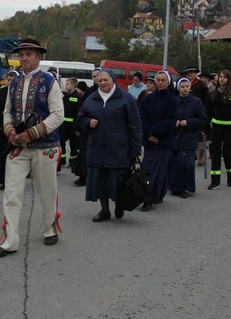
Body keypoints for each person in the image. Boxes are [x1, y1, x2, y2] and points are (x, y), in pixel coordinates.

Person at [0, 38, 64, 257]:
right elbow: (6, 111)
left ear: (39, 57)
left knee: (47, 191)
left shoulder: (50, 81)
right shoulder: (13, 82)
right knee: (12, 193)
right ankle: (10, 239)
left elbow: (58, 115)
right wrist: (9, 130)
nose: (24, 58)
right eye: (21, 55)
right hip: (17, 147)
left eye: (29, 54)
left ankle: (50, 226)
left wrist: (32, 133)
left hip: (45, 146)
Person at [77, 70, 143, 221]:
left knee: (119, 182)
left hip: (118, 149)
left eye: (105, 80)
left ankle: (119, 205)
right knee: (100, 182)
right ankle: (104, 211)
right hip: (96, 148)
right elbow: (79, 119)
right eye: (100, 81)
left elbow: (135, 124)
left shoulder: (126, 99)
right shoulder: (91, 99)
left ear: (112, 80)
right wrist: (88, 123)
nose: (103, 83)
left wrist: (135, 149)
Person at [139, 70, 178, 211]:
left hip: (163, 141)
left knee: (159, 171)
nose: (160, 82)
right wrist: (149, 133)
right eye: (158, 80)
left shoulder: (173, 100)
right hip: (149, 140)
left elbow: (170, 121)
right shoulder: (148, 99)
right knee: (148, 169)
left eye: (163, 80)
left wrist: (155, 133)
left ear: (168, 83)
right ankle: (148, 195)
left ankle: (152, 198)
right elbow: (141, 117)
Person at [169, 78, 207, 197]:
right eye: (182, 87)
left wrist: (188, 122)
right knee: (175, 163)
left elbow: (202, 119)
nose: (185, 89)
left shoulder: (196, 102)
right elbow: (168, 117)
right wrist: (174, 122)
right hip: (175, 136)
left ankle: (185, 187)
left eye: (187, 86)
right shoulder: (174, 101)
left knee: (186, 163)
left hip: (189, 137)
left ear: (190, 88)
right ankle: (175, 187)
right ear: (178, 88)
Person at [206, 69, 231, 189]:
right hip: (216, 129)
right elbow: (208, 112)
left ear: (229, 79)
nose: (222, 79)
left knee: (227, 154)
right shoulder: (213, 94)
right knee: (215, 154)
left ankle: (230, 175)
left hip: (229, 130)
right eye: (220, 77)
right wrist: (206, 129)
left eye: (224, 77)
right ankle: (215, 181)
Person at [73, 68, 102, 187]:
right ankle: (83, 176)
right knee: (84, 154)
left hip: (101, 130)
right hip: (87, 128)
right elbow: (81, 110)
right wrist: (79, 127)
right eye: (94, 76)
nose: (96, 79)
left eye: (98, 76)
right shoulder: (89, 92)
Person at [60, 77, 81, 171]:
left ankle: (72, 161)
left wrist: (76, 126)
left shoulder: (78, 97)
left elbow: (78, 112)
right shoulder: (65, 96)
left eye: (67, 84)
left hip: (73, 125)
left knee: (73, 144)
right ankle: (62, 159)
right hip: (64, 124)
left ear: (73, 85)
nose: (66, 85)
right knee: (61, 142)